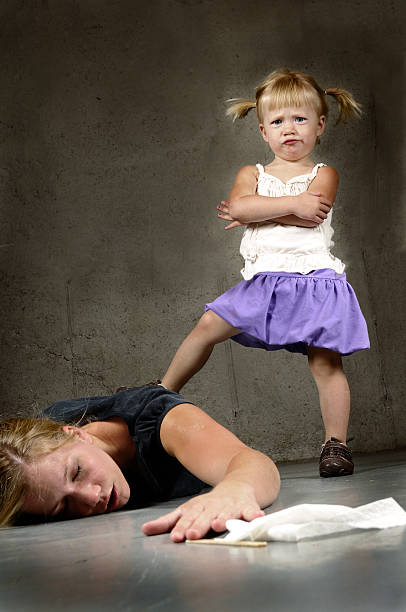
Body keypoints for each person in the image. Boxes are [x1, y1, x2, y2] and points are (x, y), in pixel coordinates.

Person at [161, 68, 370, 478]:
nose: (288, 129)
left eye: (299, 119)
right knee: (208, 324)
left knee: (325, 363)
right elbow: (239, 207)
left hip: (317, 281)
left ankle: (336, 444)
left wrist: (261, 211)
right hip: (265, 283)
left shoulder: (324, 174)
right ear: (263, 131)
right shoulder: (251, 174)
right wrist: (290, 206)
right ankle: (161, 391)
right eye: (277, 122)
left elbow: (313, 217)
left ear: (320, 124)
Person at [0, 382, 280, 542]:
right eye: (64, 505)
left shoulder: (160, 420)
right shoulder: (31, 476)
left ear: (76, 433)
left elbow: (250, 462)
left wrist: (235, 489)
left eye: (77, 473)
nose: (91, 497)